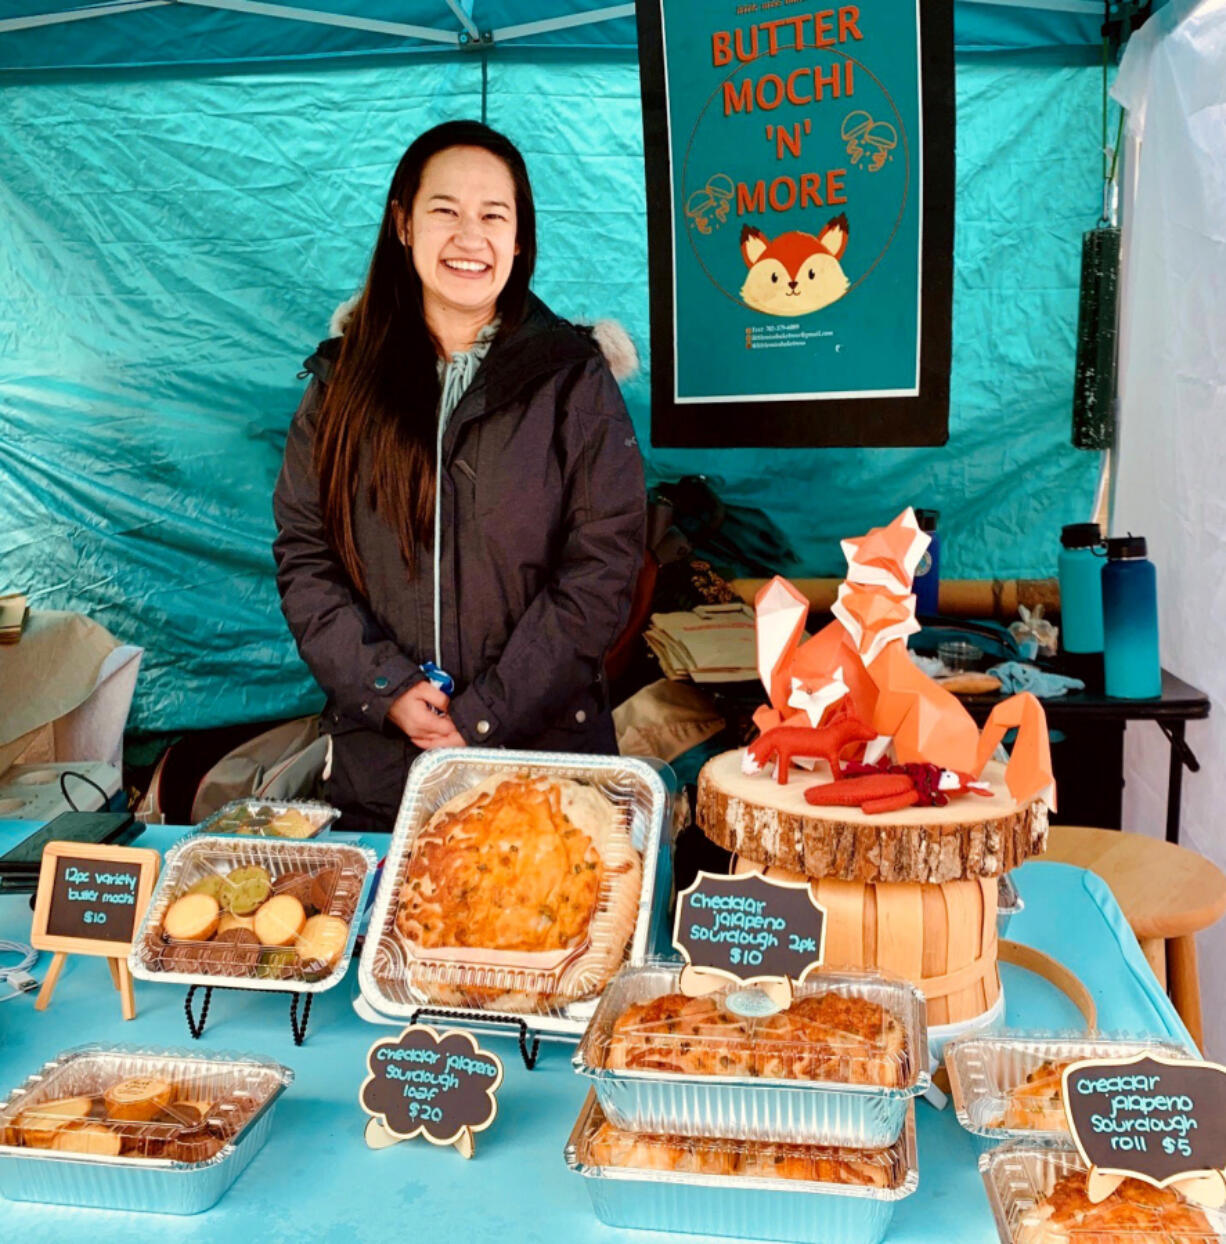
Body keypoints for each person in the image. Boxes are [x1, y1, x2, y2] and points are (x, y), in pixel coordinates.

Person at [272, 121, 646, 832]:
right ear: (404, 225)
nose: (469, 238)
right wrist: (385, 687)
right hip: (383, 767)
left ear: (519, 240)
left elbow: (603, 567)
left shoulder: (574, 380)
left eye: (493, 216)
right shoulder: (341, 385)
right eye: (444, 210)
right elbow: (305, 554)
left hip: (543, 763)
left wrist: (483, 714)